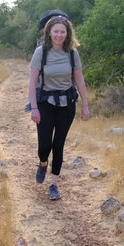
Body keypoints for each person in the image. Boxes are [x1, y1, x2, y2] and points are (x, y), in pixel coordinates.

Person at [29, 12, 89, 200]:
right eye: (55, 31)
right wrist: (34, 107)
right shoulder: (41, 52)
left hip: (67, 104)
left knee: (59, 144)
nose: (59, 35)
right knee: (44, 145)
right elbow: (32, 82)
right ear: (49, 33)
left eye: (62, 32)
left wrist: (85, 106)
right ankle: (43, 163)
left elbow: (79, 80)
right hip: (45, 104)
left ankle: (53, 184)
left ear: (67, 33)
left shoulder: (72, 52)